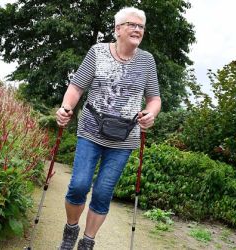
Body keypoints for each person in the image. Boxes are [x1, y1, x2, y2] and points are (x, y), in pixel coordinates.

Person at [55, 6, 161, 250]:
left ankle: (87, 242)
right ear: (117, 29)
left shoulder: (147, 61)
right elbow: (77, 87)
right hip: (91, 129)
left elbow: (154, 99)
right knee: (80, 185)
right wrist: (65, 108)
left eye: (141, 26)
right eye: (132, 25)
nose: (137, 29)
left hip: (124, 139)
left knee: (103, 192)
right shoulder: (98, 52)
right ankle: (70, 232)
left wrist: (150, 114)